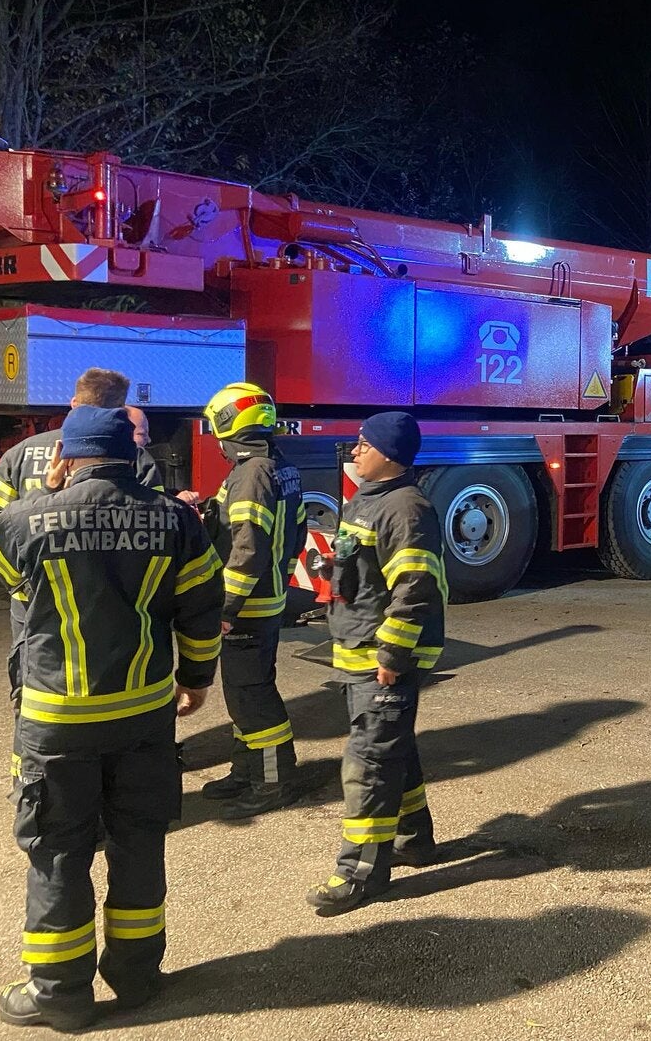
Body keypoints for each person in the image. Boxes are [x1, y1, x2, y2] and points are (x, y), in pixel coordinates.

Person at [0, 406, 223, 1031]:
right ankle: (136, 977)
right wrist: (195, 681)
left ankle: (60, 993)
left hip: (57, 720)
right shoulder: (175, 520)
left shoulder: (29, 518)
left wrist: (49, 497)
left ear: (65, 458)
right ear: (132, 458)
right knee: (139, 839)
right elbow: (202, 607)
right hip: (143, 714)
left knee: (58, 850)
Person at [306, 411, 446, 915]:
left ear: (389, 454)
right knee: (393, 748)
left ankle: (360, 873)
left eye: (364, 444)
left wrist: (393, 653)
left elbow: (415, 587)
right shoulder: (370, 500)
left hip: (379, 657)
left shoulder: (405, 508)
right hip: (358, 650)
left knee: (368, 763)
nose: (355, 451)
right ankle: (413, 838)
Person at [0, 369, 165, 707]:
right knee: (123, 691)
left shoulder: (20, 454)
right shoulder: (138, 459)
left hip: (36, 605)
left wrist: (22, 584)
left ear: (73, 403)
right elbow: (157, 533)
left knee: (38, 693)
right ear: (121, 411)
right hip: (116, 604)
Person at [200, 382, 307, 819]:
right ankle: (245, 769)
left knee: (252, 695)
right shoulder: (277, 465)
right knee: (241, 692)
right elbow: (295, 532)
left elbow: (246, 546)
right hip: (266, 600)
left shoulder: (250, 473)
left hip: (247, 607)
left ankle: (274, 780)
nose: (217, 442)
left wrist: (225, 606)